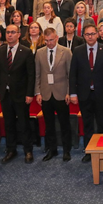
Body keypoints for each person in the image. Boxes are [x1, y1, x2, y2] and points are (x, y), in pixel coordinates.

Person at [69, 24, 103, 163]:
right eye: (87, 34)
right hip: (84, 93)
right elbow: (73, 74)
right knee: (87, 124)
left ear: (97, 34)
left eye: (92, 34)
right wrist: (73, 93)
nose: (90, 37)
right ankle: (89, 151)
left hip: (101, 93)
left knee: (102, 123)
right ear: (83, 36)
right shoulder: (77, 51)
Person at [0, 24, 36, 164]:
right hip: (5, 93)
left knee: (24, 123)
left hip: (21, 94)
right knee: (8, 123)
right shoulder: (0, 50)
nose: (10, 35)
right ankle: (11, 149)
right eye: (8, 32)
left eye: (13, 32)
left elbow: (31, 75)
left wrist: (30, 94)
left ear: (18, 34)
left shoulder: (26, 52)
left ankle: (28, 150)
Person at [35, 28, 73, 162]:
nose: (49, 43)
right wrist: (38, 92)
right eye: (46, 40)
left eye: (51, 40)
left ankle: (67, 150)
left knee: (64, 123)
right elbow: (37, 74)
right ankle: (52, 149)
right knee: (49, 124)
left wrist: (69, 92)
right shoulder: (39, 52)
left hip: (62, 93)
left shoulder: (66, 52)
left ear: (56, 38)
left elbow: (70, 74)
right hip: (45, 93)